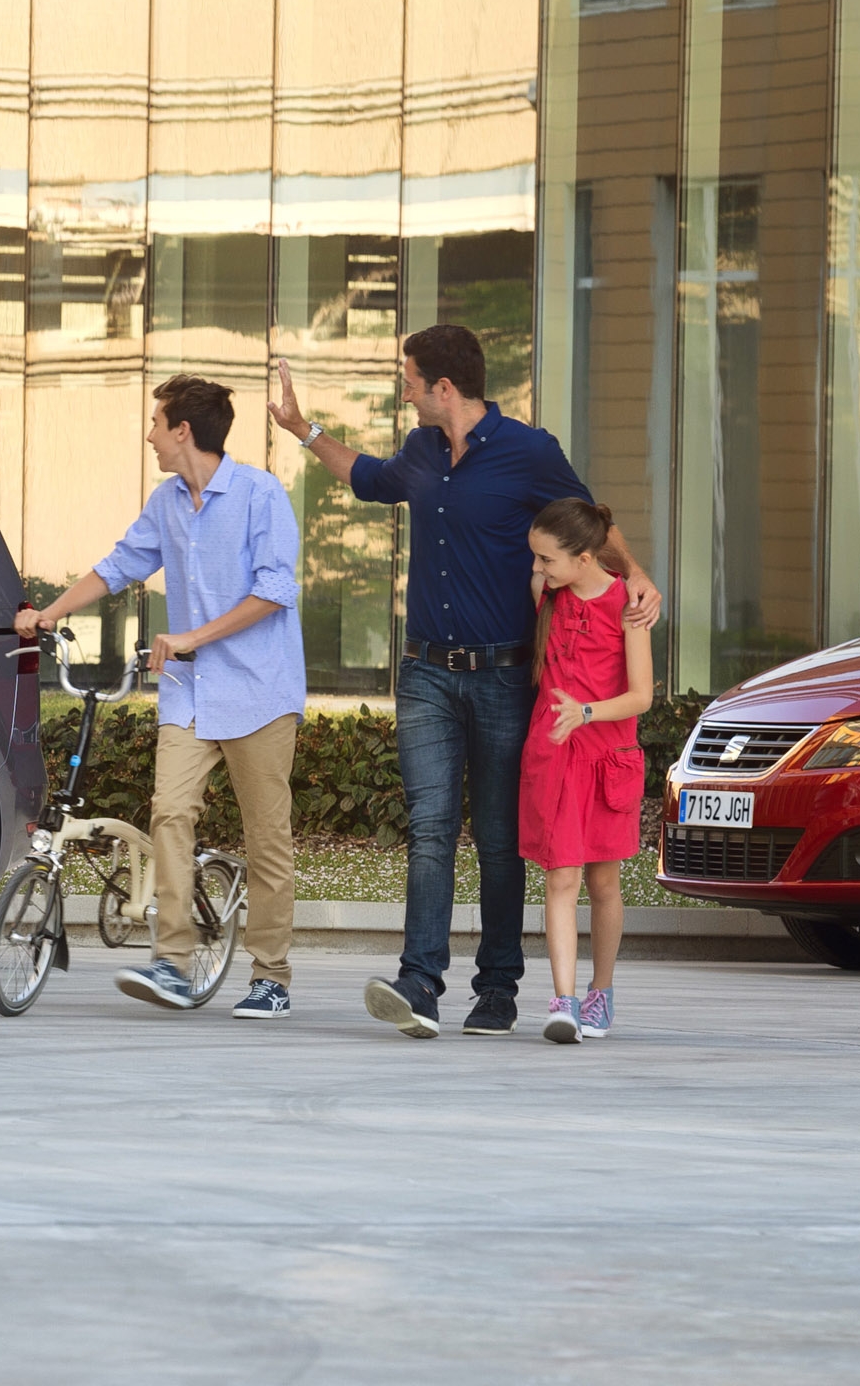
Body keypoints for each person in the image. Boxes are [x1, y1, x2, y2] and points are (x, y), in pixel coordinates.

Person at [269, 324, 659, 1040]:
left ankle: (498, 989)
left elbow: (588, 525)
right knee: (430, 827)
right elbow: (366, 478)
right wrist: (303, 429)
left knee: (501, 837)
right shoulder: (420, 450)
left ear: (443, 387)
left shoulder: (529, 451)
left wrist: (636, 577)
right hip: (426, 672)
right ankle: (418, 982)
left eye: (410, 381)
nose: (405, 392)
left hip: (505, 676)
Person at [16, 374, 305, 1017]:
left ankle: (272, 977)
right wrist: (48, 613)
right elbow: (119, 564)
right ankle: (172, 962)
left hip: (259, 690)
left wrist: (192, 636)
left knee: (266, 837)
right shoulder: (167, 500)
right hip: (189, 693)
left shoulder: (260, 494)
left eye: (156, 424)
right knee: (170, 813)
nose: (149, 436)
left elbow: (274, 592)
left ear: (183, 430)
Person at [520, 498, 652, 1044]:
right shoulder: (547, 593)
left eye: (546, 560)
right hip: (555, 756)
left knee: (602, 881)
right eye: (535, 558)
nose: (537, 569)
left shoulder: (628, 605)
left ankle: (601, 991)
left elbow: (642, 696)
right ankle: (563, 1002)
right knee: (561, 876)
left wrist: (588, 713)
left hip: (607, 757)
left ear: (585, 557)